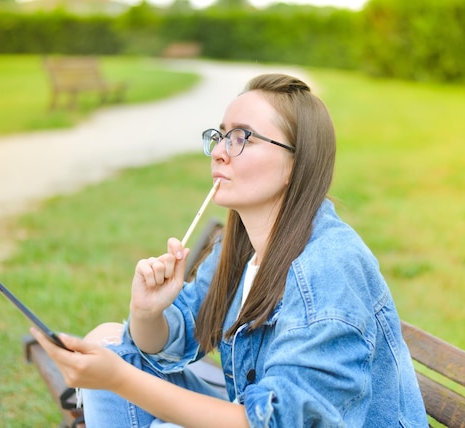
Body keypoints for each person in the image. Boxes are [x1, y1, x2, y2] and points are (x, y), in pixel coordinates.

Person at [31, 73, 428, 427]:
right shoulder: (236, 249)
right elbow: (175, 337)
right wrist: (146, 312)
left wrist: (116, 377)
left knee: (126, 381)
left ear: (296, 163)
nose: (219, 151)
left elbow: (276, 421)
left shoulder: (328, 267)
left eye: (242, 137)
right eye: (221, 135)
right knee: (109, 343)